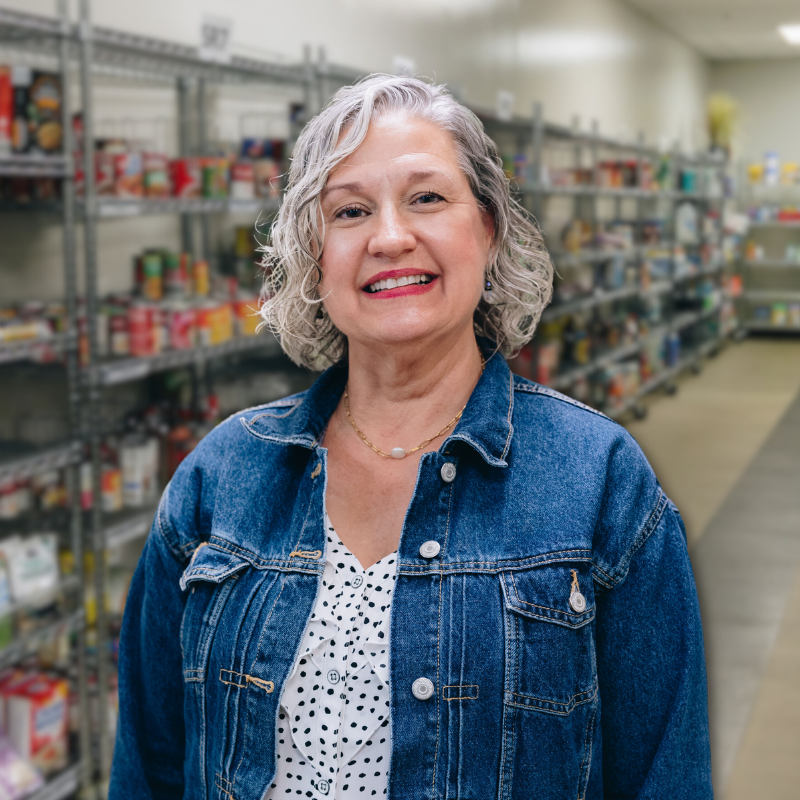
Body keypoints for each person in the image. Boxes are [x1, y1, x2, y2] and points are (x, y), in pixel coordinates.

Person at [110, 75, 712, 800]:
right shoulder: (222, 475)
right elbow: (146, 766)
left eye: (427, 197)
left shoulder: (600, 480)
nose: (390, 237)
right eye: (350, 210)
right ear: (314, 257)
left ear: (487, 229)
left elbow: (664, 776)